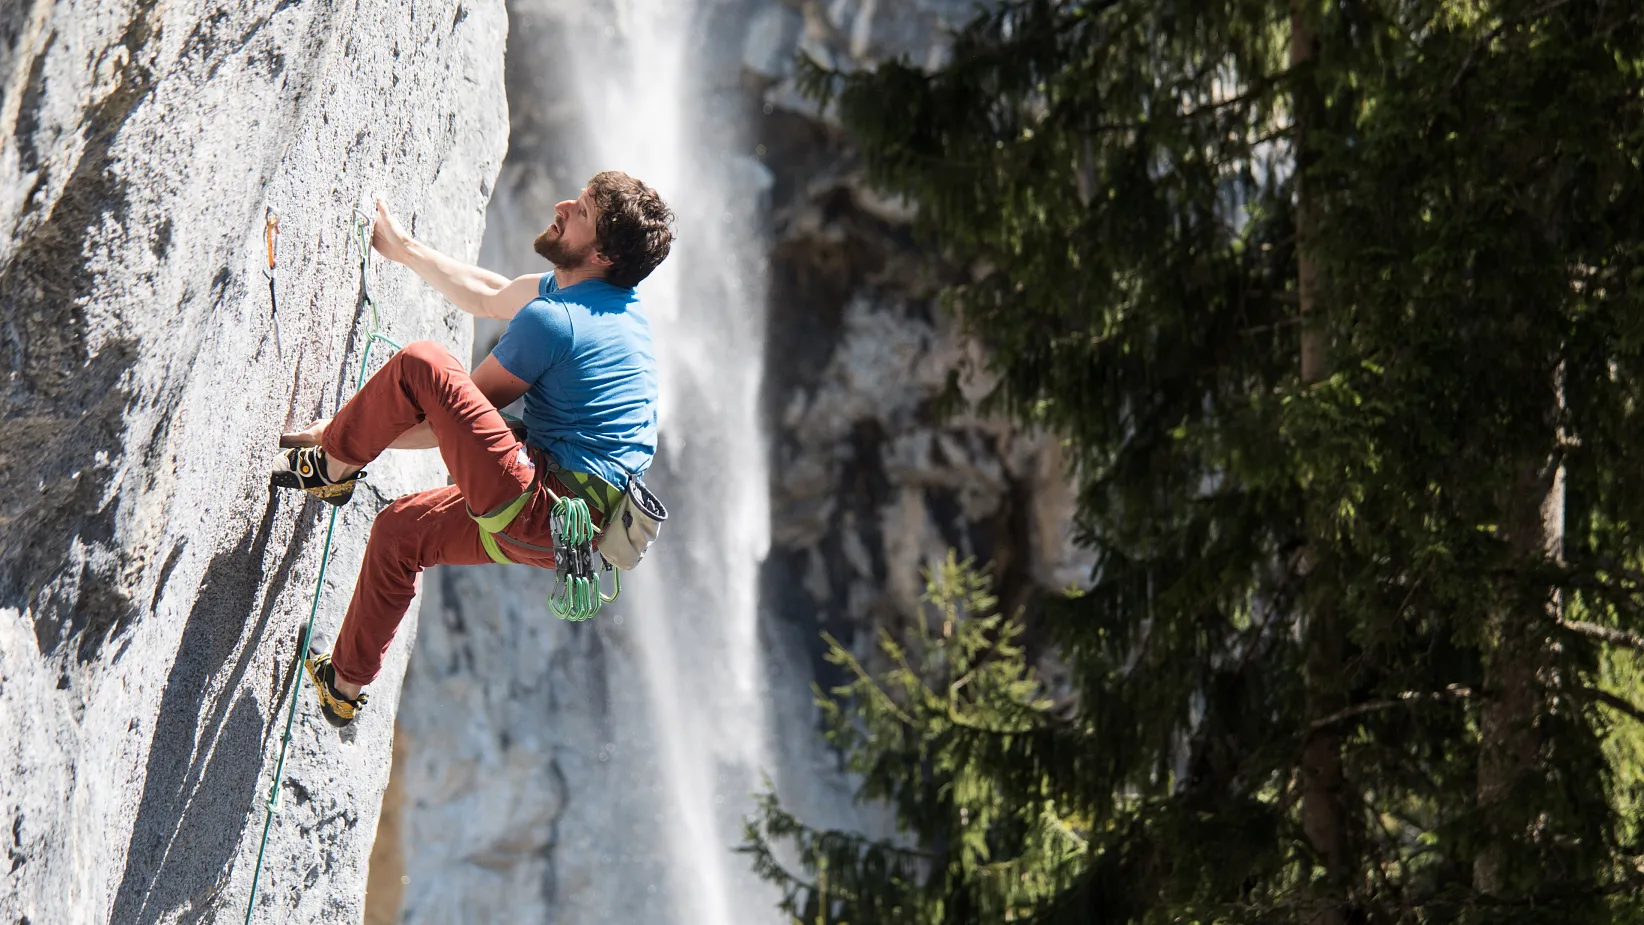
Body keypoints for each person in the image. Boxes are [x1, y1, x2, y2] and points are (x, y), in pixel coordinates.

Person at [271, 170, 674, 727]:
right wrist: (404, 248)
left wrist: (338, 436)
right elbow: (488, 295)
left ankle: (329, 471)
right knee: (400, 531)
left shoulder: (557, 322)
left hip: (544, 504)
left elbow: (443, 415)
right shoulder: (612, 306)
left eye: (579, 211)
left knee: (423, 364)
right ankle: (343, 686)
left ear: (602, 253)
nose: (560, 205)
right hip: (576, 535)